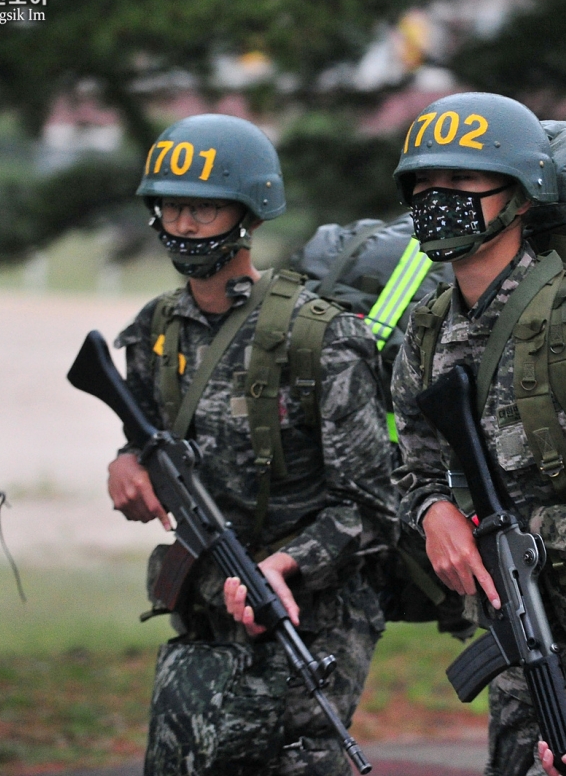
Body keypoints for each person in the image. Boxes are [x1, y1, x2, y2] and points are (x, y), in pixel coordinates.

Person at [389, 92, 566, 776]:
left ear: (520, 197)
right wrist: (433, 511)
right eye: (424, 184)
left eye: (461, 182)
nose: (438, 198)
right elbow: (414, 470)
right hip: (512, 638)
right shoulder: (425, 329)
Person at [105, 114, 397, 776]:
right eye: (171, 206)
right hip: (208, 598)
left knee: (297, 762)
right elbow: (141, 437)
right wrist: (126, 464)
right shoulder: (156, 330)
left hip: (314, 609)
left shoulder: (317, 337)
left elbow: (373, 510)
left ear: (249, 212)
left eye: (203, 208)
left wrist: (285, 565)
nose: (182, 225)